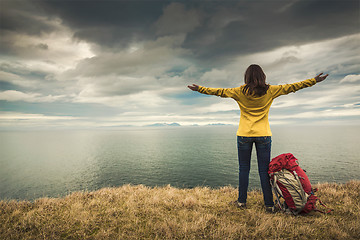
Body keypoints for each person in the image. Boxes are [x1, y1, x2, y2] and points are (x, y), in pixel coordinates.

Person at [187, 64, 328, 212]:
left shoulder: (239, 91)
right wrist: (314, 80)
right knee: (264, 171)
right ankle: (269, 205)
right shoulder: (271, 91)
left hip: (244, 135)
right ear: (263, 76)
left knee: (243, 169)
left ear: (246, 77)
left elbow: (219, 92)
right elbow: (293, 87)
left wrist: (199, 89)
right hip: (263, 135)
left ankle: (241, 202)